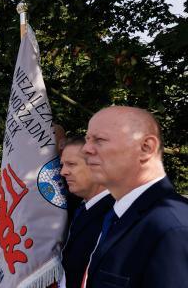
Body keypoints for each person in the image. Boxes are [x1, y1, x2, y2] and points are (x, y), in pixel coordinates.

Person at [82, 106, 188, 287]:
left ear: (146, 148)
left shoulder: (172, 228)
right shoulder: (116, 216)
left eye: (99, 140)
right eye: (87, 139)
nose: (86, 149)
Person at [60, 137, 114, 288]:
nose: (63, 172)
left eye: (71, 164)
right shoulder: (82, 208)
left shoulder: (116, 214)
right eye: (62, 165)